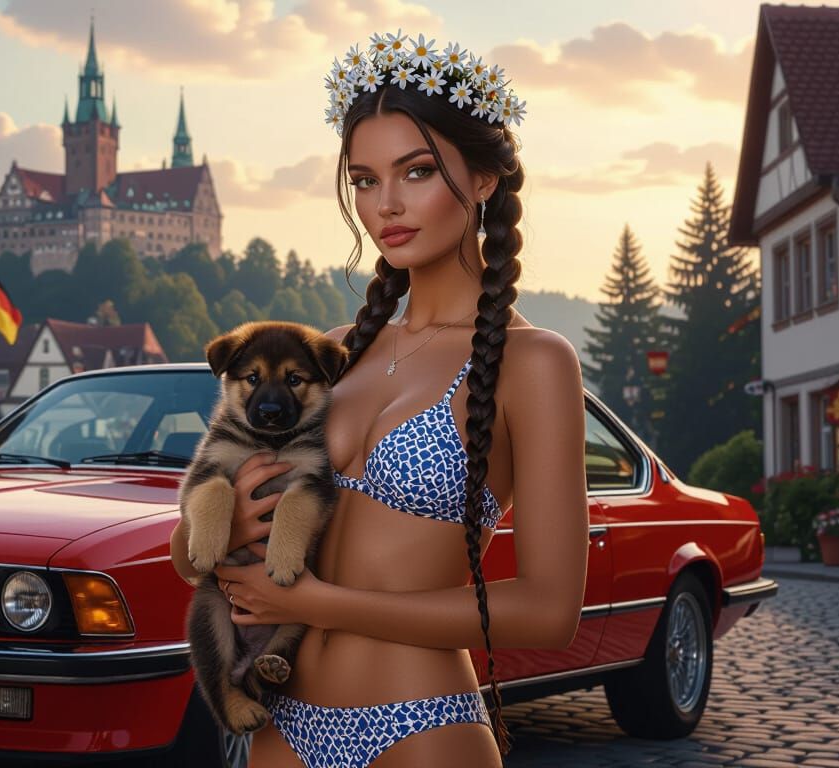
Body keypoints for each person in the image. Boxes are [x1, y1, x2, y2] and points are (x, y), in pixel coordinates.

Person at [168, 30, 588, 767]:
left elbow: (550, 611)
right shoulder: (334, 352)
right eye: (363, 180)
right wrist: (220, 519)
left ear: (484, 177)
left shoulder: (534, 363)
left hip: (421, 726)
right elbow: (189, 560)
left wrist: (316, 605)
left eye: (416, 171)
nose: (385, 204)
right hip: (282, 725)